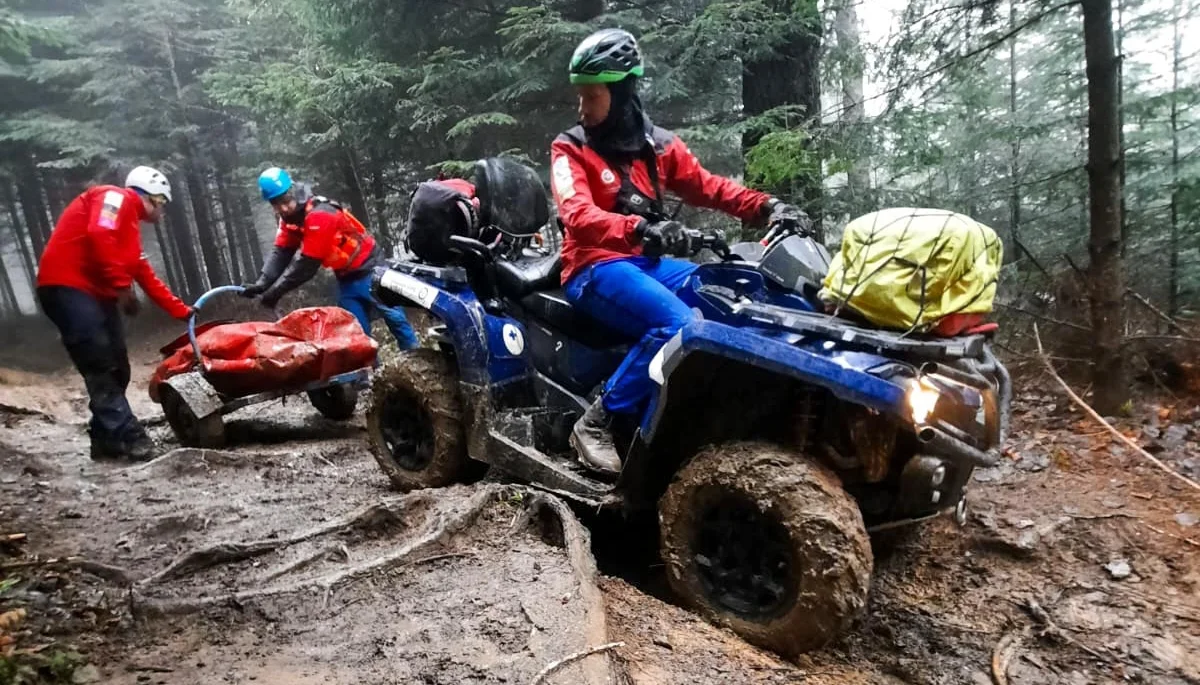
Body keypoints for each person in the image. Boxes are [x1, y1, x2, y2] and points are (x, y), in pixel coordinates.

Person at [551, 28, 809, 472]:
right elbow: (577, 215)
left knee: (726, 294)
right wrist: (640, 230)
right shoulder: (569, 148)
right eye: (581, 96)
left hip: (645, 264)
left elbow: (710, 187)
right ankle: (598, 421)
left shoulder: (658, 146)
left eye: (591, 96)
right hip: (593, 267)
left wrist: (768, 206)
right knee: (675, 323)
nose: (582, 107)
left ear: (622, 91)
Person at [36, 166, 193, 461]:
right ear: (152, 197)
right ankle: (129, 435)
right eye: (162, 204)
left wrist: (182, 311)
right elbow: (99, 232)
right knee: (99, 360)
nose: (162, 212)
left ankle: (104, 439)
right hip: (66, 286)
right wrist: (122, 287)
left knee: (118, 366)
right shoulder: (114, 197)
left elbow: (144, 273)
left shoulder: (130, 230)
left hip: (96, 294)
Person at [241, 167, 418, 350]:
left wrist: (275, 293)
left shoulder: (320, 214)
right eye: (276, 204)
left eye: (285, 201)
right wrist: (262, 283)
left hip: (372, 269)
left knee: (394, 318)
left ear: (292, 190)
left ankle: (416, 357)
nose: (283, 208)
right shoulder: (290, 220)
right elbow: (282, 252)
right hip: (346, 277)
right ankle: (367, 373)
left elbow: (307, 265)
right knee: (356, 331)